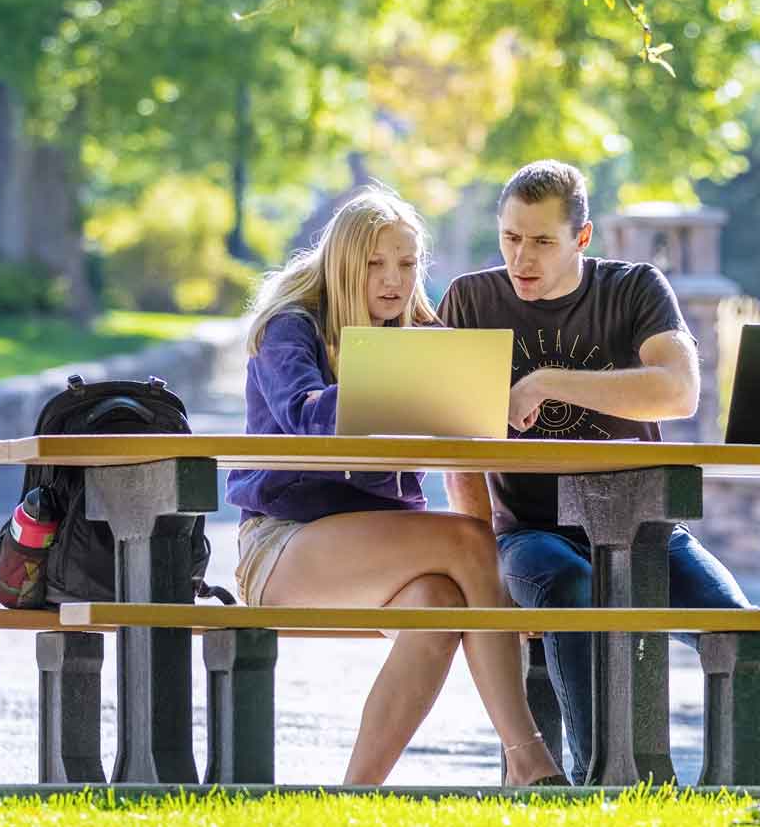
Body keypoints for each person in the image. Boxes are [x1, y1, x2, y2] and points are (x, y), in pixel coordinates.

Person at [440, 160, 760, 784]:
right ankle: (611, 784)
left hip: (649, 532)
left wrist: (544, 382)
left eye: (543, 241)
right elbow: (456, 443)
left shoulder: (634, 288)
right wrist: (478, 557)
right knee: (568, 586)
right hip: (531, 535)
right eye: (511, 238)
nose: (523, 259)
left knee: (743, 626)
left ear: (583, 239)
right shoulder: (470, 299)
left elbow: (679, 392)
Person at [225, 187, 565, 787]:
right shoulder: (291, 328)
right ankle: (529, 760)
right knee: (467, 543)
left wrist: (494, 396)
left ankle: (355, 794)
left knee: (440, 602)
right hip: (282, 547)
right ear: (342, 265)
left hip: (377, 557)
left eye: (407, 264)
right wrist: (397, 376)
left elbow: (468, 440)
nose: (393, 280)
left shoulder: (416, 332)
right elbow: (306, 415)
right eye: (376, 264)